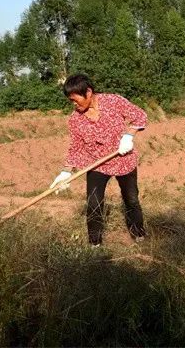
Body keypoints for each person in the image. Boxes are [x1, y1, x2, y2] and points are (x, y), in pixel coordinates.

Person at [49, 74, 148, 245]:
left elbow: (140, 115)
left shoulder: (113, 102)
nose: (73, 104)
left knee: (131, 199)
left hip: (123, 160)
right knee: (93, 204)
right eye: (70, 101)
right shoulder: (75, 120)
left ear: (88, 92)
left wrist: (128, 135)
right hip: (97, 165)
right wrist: (66, 171)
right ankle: (95, 244)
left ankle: (138, 234)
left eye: (75, 100)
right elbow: (76, 147)